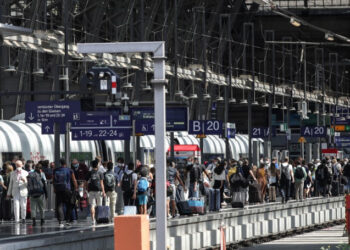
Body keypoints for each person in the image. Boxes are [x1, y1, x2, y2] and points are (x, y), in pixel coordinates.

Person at [53, 158, 78, 228]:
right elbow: (74, 180)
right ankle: (67, 220)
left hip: (58, 189)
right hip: (67, 189)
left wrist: (54, 189)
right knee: (69, 204)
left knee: (59, 205)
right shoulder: (69, 170)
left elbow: (53, 180)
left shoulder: (55, 170)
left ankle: (61, 221)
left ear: (60, 163)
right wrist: (76, 188)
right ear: (66, 163)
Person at [85, 160, 105, 225]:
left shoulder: (89, 173)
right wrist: (103, 191)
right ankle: (99, 218)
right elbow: (102, 183)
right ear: (97, 165)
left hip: (91, 191)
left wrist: (86, 189)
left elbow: (86, 182)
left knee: (92, 205)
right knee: (99, 205)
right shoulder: (100, 173)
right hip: (98, 191)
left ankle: (93, 220)